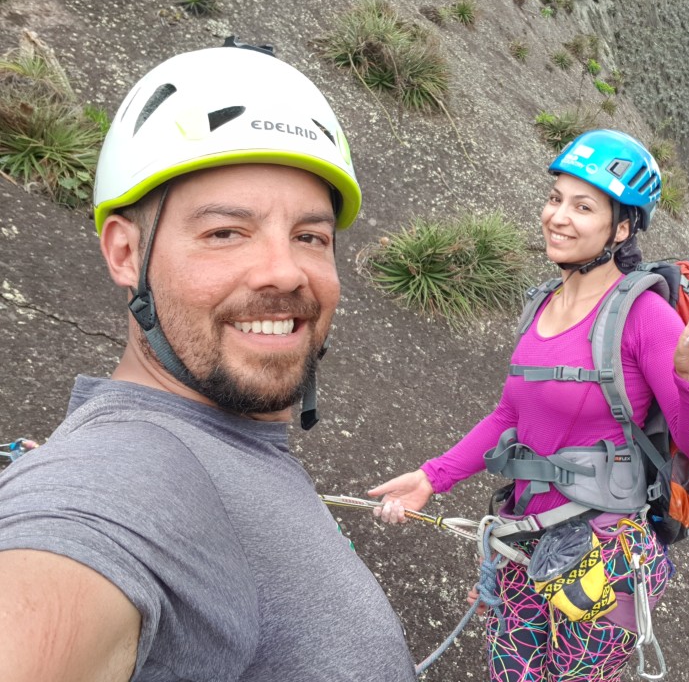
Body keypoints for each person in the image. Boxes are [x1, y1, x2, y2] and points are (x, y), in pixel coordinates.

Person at [0, 39, 417, 682]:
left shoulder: (234, 448)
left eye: (310, 237)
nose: (284, 270)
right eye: (225, 232)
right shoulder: (125, 479)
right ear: (124, 253)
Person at [369, 129, 689, 682]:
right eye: (555, 199)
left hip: (604, 558)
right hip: (524, 543)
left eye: (583, 206)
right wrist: (432, 477)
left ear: (621, 228)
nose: (558, 217)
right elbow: (509, 417)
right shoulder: (541, 305)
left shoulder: (645, 317)